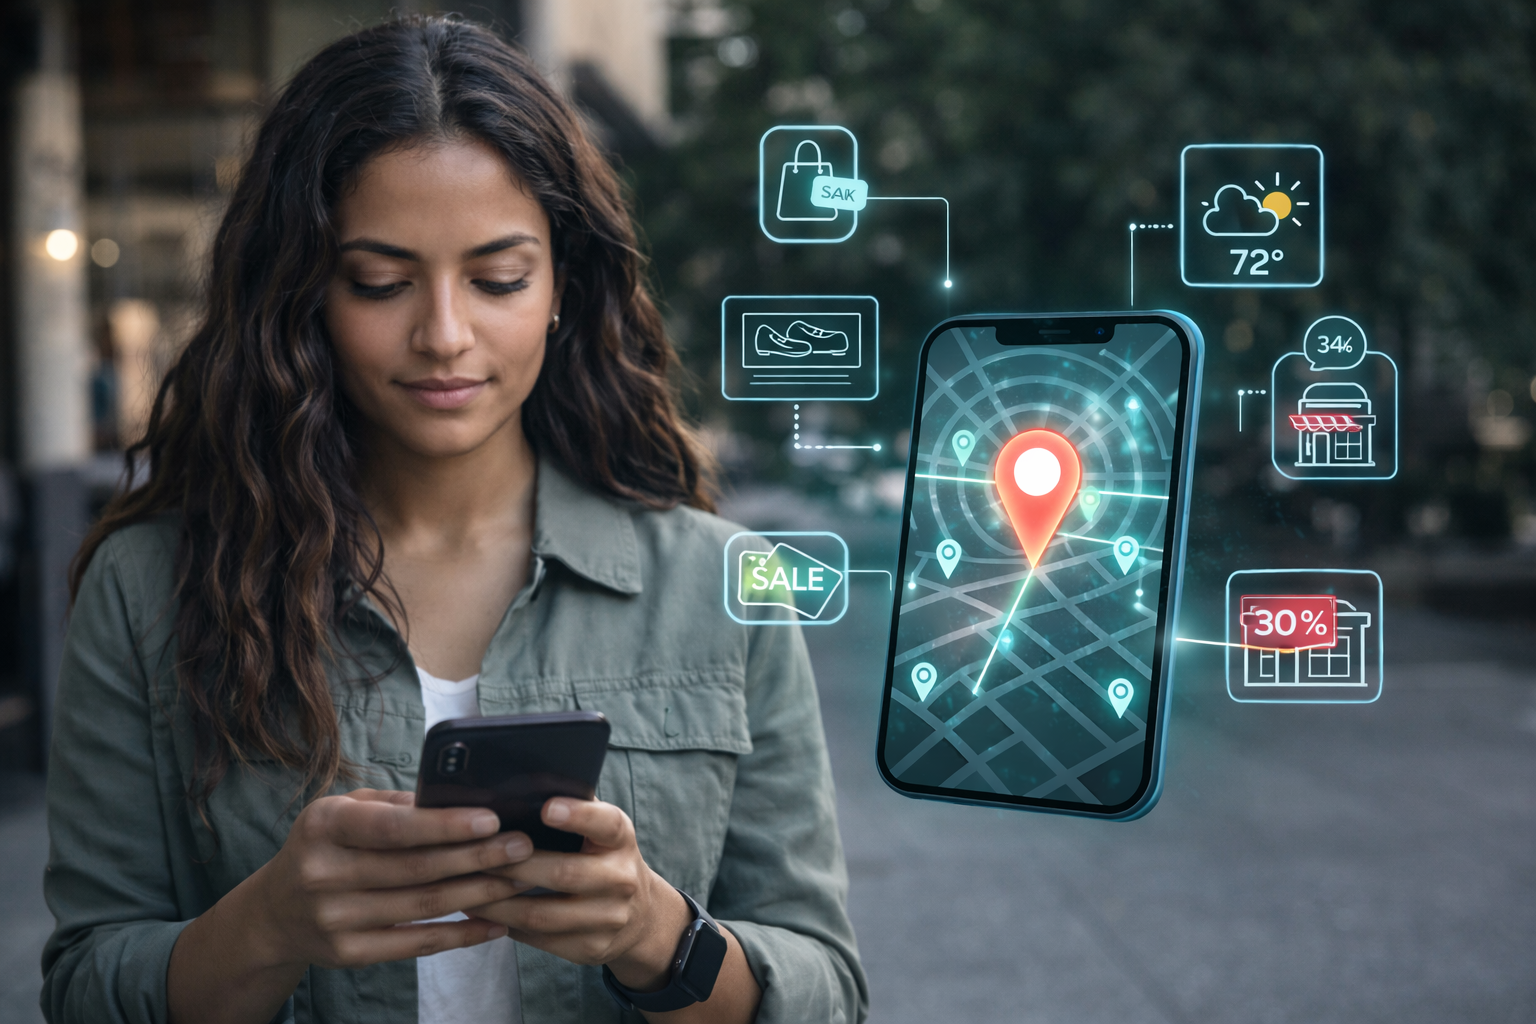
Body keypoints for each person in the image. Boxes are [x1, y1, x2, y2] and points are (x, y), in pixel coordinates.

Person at [40, 17, 866, 1024]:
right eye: (379, 281)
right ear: (301, 296)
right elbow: (86, 986)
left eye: (498, 278)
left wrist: (656, 931)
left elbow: (825, 990)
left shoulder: (723, 583)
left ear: (564, 284)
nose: (443, 334)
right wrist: (267, 926)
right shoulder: (148, 588)